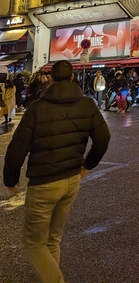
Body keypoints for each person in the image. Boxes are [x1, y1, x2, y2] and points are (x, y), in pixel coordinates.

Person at [2, 59, 110, 283]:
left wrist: (11, 179)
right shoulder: (87, 105)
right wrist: (87, 165)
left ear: (50, 79)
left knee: (34, 242)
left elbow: (17, 146)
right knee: (53, 238)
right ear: (72, 78)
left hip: (44, 183)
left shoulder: (38, 108)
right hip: (71, 180)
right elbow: (103, 138)